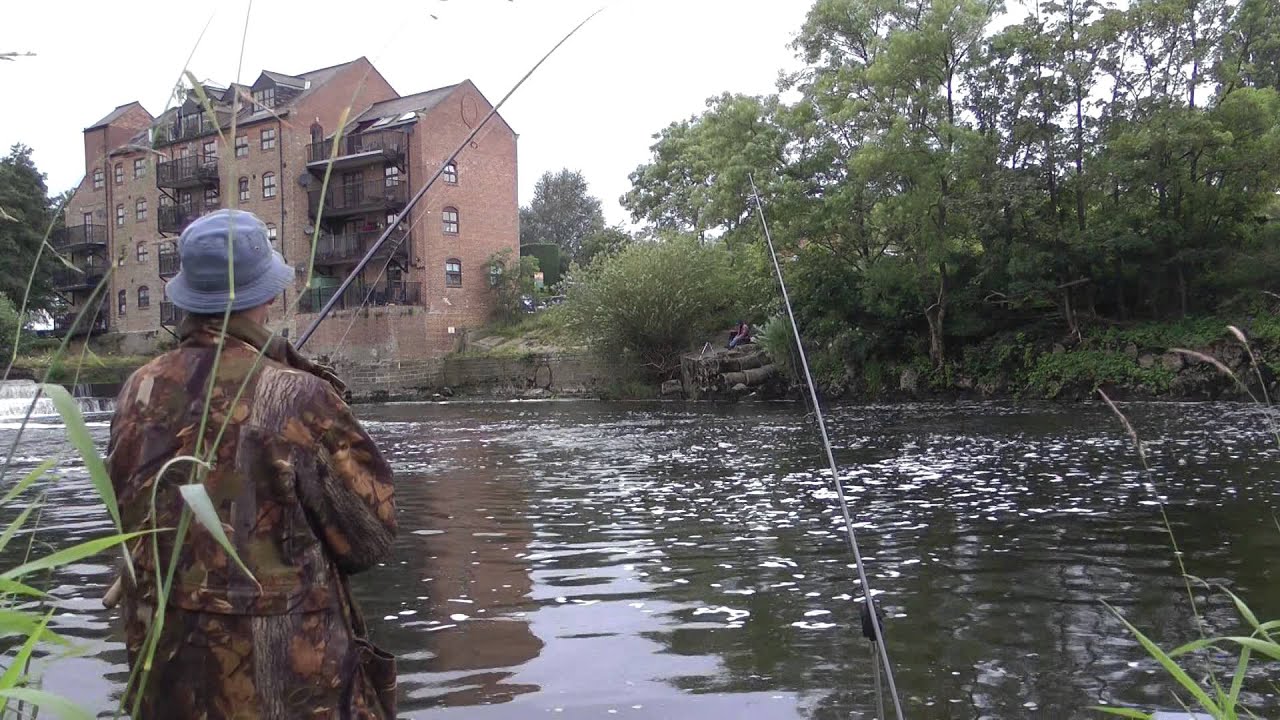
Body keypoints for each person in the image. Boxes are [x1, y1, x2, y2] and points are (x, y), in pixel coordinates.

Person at [106, 209, 399, 719]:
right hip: (287, 690)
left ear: (187, 298)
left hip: (166, 682)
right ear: (266, 296)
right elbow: (370, 537)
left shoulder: (138, 389)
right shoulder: (297, 394)